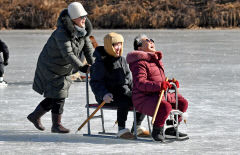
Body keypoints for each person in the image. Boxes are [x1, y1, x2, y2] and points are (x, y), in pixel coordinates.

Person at [27, 2, 94, 133]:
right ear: (73, 18)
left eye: (85, 16)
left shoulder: (83, 31)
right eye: (81, 17)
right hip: (50, 66)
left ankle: (36, 116)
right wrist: (82, 67)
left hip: (64, 68)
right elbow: (68, 53)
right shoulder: (61, 32)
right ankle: (54, 124)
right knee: (58, 95)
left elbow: (89, 50)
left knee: (57, 95)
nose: (84, 19)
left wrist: (96, 65)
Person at [126, 34, 189, 142]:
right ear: (139, 47)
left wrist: (169, 83)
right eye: (147, 40)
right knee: (165, 107)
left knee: (182, 102)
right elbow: (140, 83)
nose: (151, 42)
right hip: (143, 98)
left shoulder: (155, 60)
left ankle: (172, 129)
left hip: (158, 95)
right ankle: (157, 130)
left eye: (151, 40)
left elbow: (158, 80)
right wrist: (160, 86)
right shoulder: (139, 63)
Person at [90, 32, 149, 139]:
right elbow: (95, 82)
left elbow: (128, 79)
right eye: (115, 45)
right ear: (109, 46)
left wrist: (136, 91)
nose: (119, 47)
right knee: (124, 100)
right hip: (108, 96)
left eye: (120, 44)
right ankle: (121, 129)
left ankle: (137, 127)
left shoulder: (121, 59)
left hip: (123, 91)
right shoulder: (100, 63)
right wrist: (104, 94)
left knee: (142, 98)